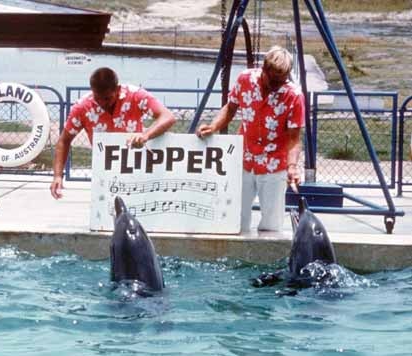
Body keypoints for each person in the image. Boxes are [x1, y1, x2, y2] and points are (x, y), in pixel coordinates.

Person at [196, 46, 305, 232]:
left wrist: (292, 166)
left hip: (274, 165)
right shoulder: (245, 79)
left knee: (272, 224)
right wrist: (214, 126)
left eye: (282, 80)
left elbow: (294, 138)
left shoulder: (294, 96)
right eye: (274, 80)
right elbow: (230, 108)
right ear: (264, 69)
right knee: (235, 218)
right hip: (244, 160)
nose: (277, 85)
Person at [50, 67, 176, 199]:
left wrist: (145, 135)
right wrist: (58, 175)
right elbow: (64, 140)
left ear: (117, 89)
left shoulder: (135, 95)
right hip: (105, 174)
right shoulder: (82, 107)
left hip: (137, 168)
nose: (102, 103)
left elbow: (168, 117)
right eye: (98, 98)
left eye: (107, 98)